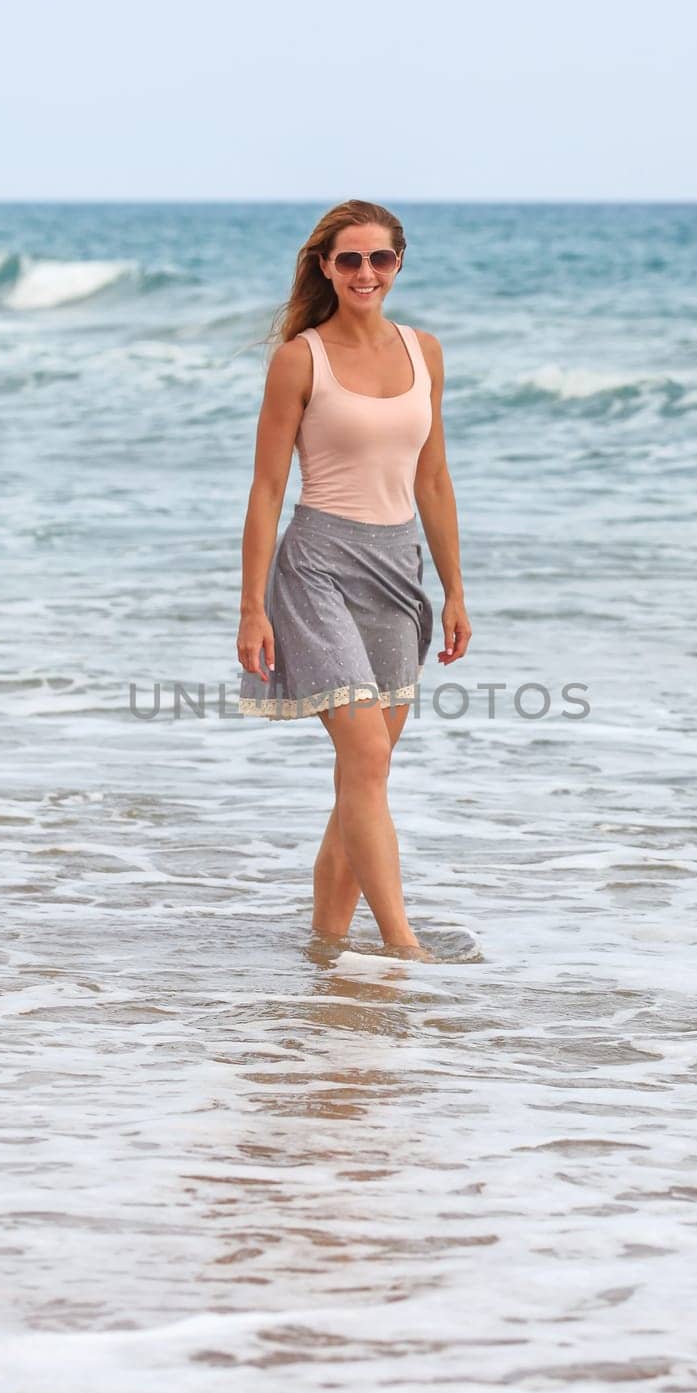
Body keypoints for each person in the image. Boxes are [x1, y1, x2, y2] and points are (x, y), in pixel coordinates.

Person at [237, 199, 471, 958]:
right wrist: (251, 608)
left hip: (397, 571)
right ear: (324, 268)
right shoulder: (300, 359)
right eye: (349, 260)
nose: (365, 272)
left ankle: (327, 950)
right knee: (366, 758)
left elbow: (433, 480)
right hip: (317, 569)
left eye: (379, 259)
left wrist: (455, 589)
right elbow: (266, 490)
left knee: (362, 775)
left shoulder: (424, 352)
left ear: (398, 265)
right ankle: (401, 944)